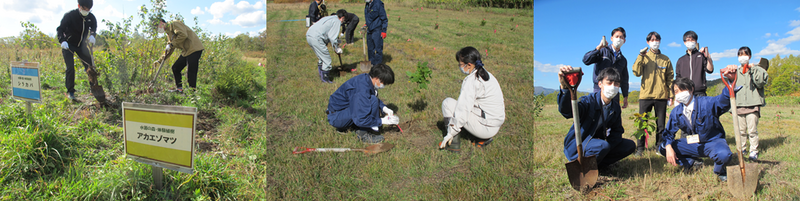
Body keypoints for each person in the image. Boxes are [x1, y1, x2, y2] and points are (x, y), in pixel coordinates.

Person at [660, 77, 737, 182]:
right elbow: (668, 133)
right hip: (693, 143)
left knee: (724, 155)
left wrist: (731, 82)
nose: (680, 93)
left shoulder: (707, 103)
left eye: (683, 89)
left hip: (713, 141)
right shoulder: (676, 112)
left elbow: (722, 100)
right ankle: (691, 162)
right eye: (676, 91)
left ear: (691, 89)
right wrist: (668, 146)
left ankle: (719, 171)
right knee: (663, 147)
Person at [557, 67, 635, 169]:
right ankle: (582, 165)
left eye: (616, 84)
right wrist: (565, 88)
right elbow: (567, 111)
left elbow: (617, 131)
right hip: (579, 145)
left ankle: (599, 165)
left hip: (598, 144)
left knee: (629, 145)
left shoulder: (615, 107)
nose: (613, 86)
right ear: (600, 84)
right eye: (609, 82)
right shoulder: (589, 101)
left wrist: (609, 145)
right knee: (602, 146)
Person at [439, 47, 506, 152]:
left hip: (486, 127)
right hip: (495, 123)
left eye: (460, 64)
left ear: (468, 65)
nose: (459, 67)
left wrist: (451, 132)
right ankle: (483, 138)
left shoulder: (472, 81)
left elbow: (463, 110)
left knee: (448, 103)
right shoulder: (486, 74)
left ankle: (453, 143)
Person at [327, 64, 397, 143]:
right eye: (385, 83)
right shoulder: (361, 91)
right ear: (377, 79)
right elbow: (360, 118)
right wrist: (381, 121)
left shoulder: (366, 79)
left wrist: (384, 107)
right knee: (368, 107)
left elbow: (371, 96)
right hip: (336, 117)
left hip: (342, 111)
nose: (384, 85)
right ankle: (363, 135)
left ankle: (354, 126)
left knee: (373, 100)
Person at [632, 31, 673, 156]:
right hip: (645, 96)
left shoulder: (665, 59)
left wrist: (670, 95)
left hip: (661, 96)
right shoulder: (643, 57)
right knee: (642, 122)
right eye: (652, 40)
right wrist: (640, 55)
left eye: (657, 39)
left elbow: (670, 78)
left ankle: (659, 147)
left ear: (660, 41)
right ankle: (640, 149)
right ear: (648, 42)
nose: (655, 42)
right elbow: (636, 72)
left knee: (660, 124)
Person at [727, 46, 769, 161]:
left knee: (752, 131)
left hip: (752, 105)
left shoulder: (755, 70)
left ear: (749, 56)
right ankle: (742, 148)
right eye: (740, 55)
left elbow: (760, 82)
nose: (742, 57)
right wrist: (732, 108)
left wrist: (754, 69)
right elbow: (732, 90)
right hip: (739, 106)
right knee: (741, 131)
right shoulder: (736, 72)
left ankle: (753, 151)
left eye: (745, 54)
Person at [57, 0, 97, 100]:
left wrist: (92, 35)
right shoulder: (70, 16)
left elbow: (94, 27)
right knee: (70, 68)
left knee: (90, 65)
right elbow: (60, 29)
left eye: (88, 9)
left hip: (81, 46)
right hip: (68, 45)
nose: (86, 11)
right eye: (84, 9)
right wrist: (62, 41)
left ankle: (94, 87)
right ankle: (70, 92)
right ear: (79, 6)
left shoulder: (90, 17)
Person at [583, 27, 630, 109]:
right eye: (617, 36)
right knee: (597, 114)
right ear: (611, 38)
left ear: (624, 41)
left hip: (614, 91)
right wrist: (598, 48)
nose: (619, 39)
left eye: (621, 37)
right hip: (599, 89)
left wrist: (625, 96)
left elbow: (624, 79)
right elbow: (586, 60)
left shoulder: (623, 60)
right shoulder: (602, 51)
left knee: (613, 115)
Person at [155, 18, 205, 93]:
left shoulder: (174, 24)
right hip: (186, 51)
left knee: (191, 71)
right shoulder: (169, 32)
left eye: (157, 26)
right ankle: (179, 89)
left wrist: (172, 44)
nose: (157, 28)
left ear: (161, 22)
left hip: (194, 48)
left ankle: (192, 93)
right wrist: (159, 60)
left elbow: (183, 34)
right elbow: (170, 48)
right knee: (175, 68)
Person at [307, 10, 348, 83]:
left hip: (309, 35)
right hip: (317, 38)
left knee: (321, 57)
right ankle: (325, 79)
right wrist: (337, 48)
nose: (343, 21)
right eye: (344, 19)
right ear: (342, 17)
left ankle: (321, 74)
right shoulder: (337, 22)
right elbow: (332, 37)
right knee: (327, 59)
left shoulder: (329, 18)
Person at [675, 30, 714, 98]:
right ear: (684, 42)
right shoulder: (680, 60)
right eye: (688, 40)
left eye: (692, 40)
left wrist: (708, 58)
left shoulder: (701, 56)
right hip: (685, 93)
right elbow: (678, 78)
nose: (690, 42)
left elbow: (710, 70)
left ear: (696, 42)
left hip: (700, 93)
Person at [364, 0, 388, 66]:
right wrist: (366, 24)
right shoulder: (367, 4)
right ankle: (371, 63)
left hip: (377, 29)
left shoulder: (378, 3)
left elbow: (384, 18)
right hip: (370, 29)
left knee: (378, 48)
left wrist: (384, 30)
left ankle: (378, 65)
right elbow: (369, 16)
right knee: (370, 48)